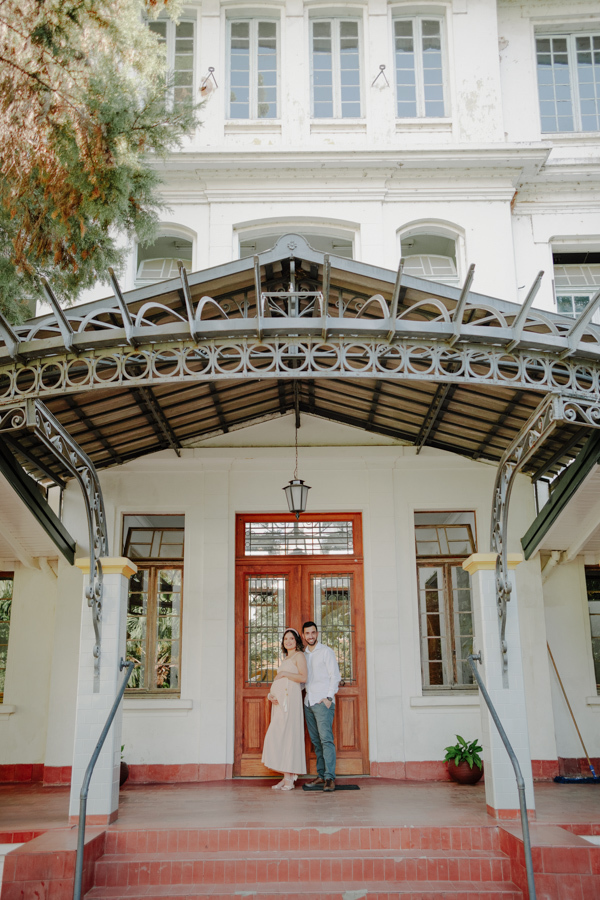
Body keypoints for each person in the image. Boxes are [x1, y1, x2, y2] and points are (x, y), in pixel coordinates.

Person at [262, 627, 307, 790]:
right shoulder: (286, 658)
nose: (288, 641)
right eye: (285, 639)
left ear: (296, 641)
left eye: (292, 639)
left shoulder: (299, 656)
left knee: (288, 736)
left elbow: (303, 677)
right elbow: (280, 683)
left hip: (291, 703)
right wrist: (271, 695)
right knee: (278, 736)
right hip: (280, 704)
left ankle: (289, 778)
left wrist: (285, 675)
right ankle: (285, 775)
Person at [302, 620, 341, 793]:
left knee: (326, 740)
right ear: (303, 636)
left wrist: (328, 697)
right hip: (308, 703)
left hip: (322, 702)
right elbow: (303, 681)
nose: (310, 636)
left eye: (313, 633)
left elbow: (335, 676)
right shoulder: (303, 655)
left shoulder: (326, 652)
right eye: (307, 633)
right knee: (316, 742)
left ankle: (329, 778)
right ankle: (321, 775)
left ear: (317, 634)